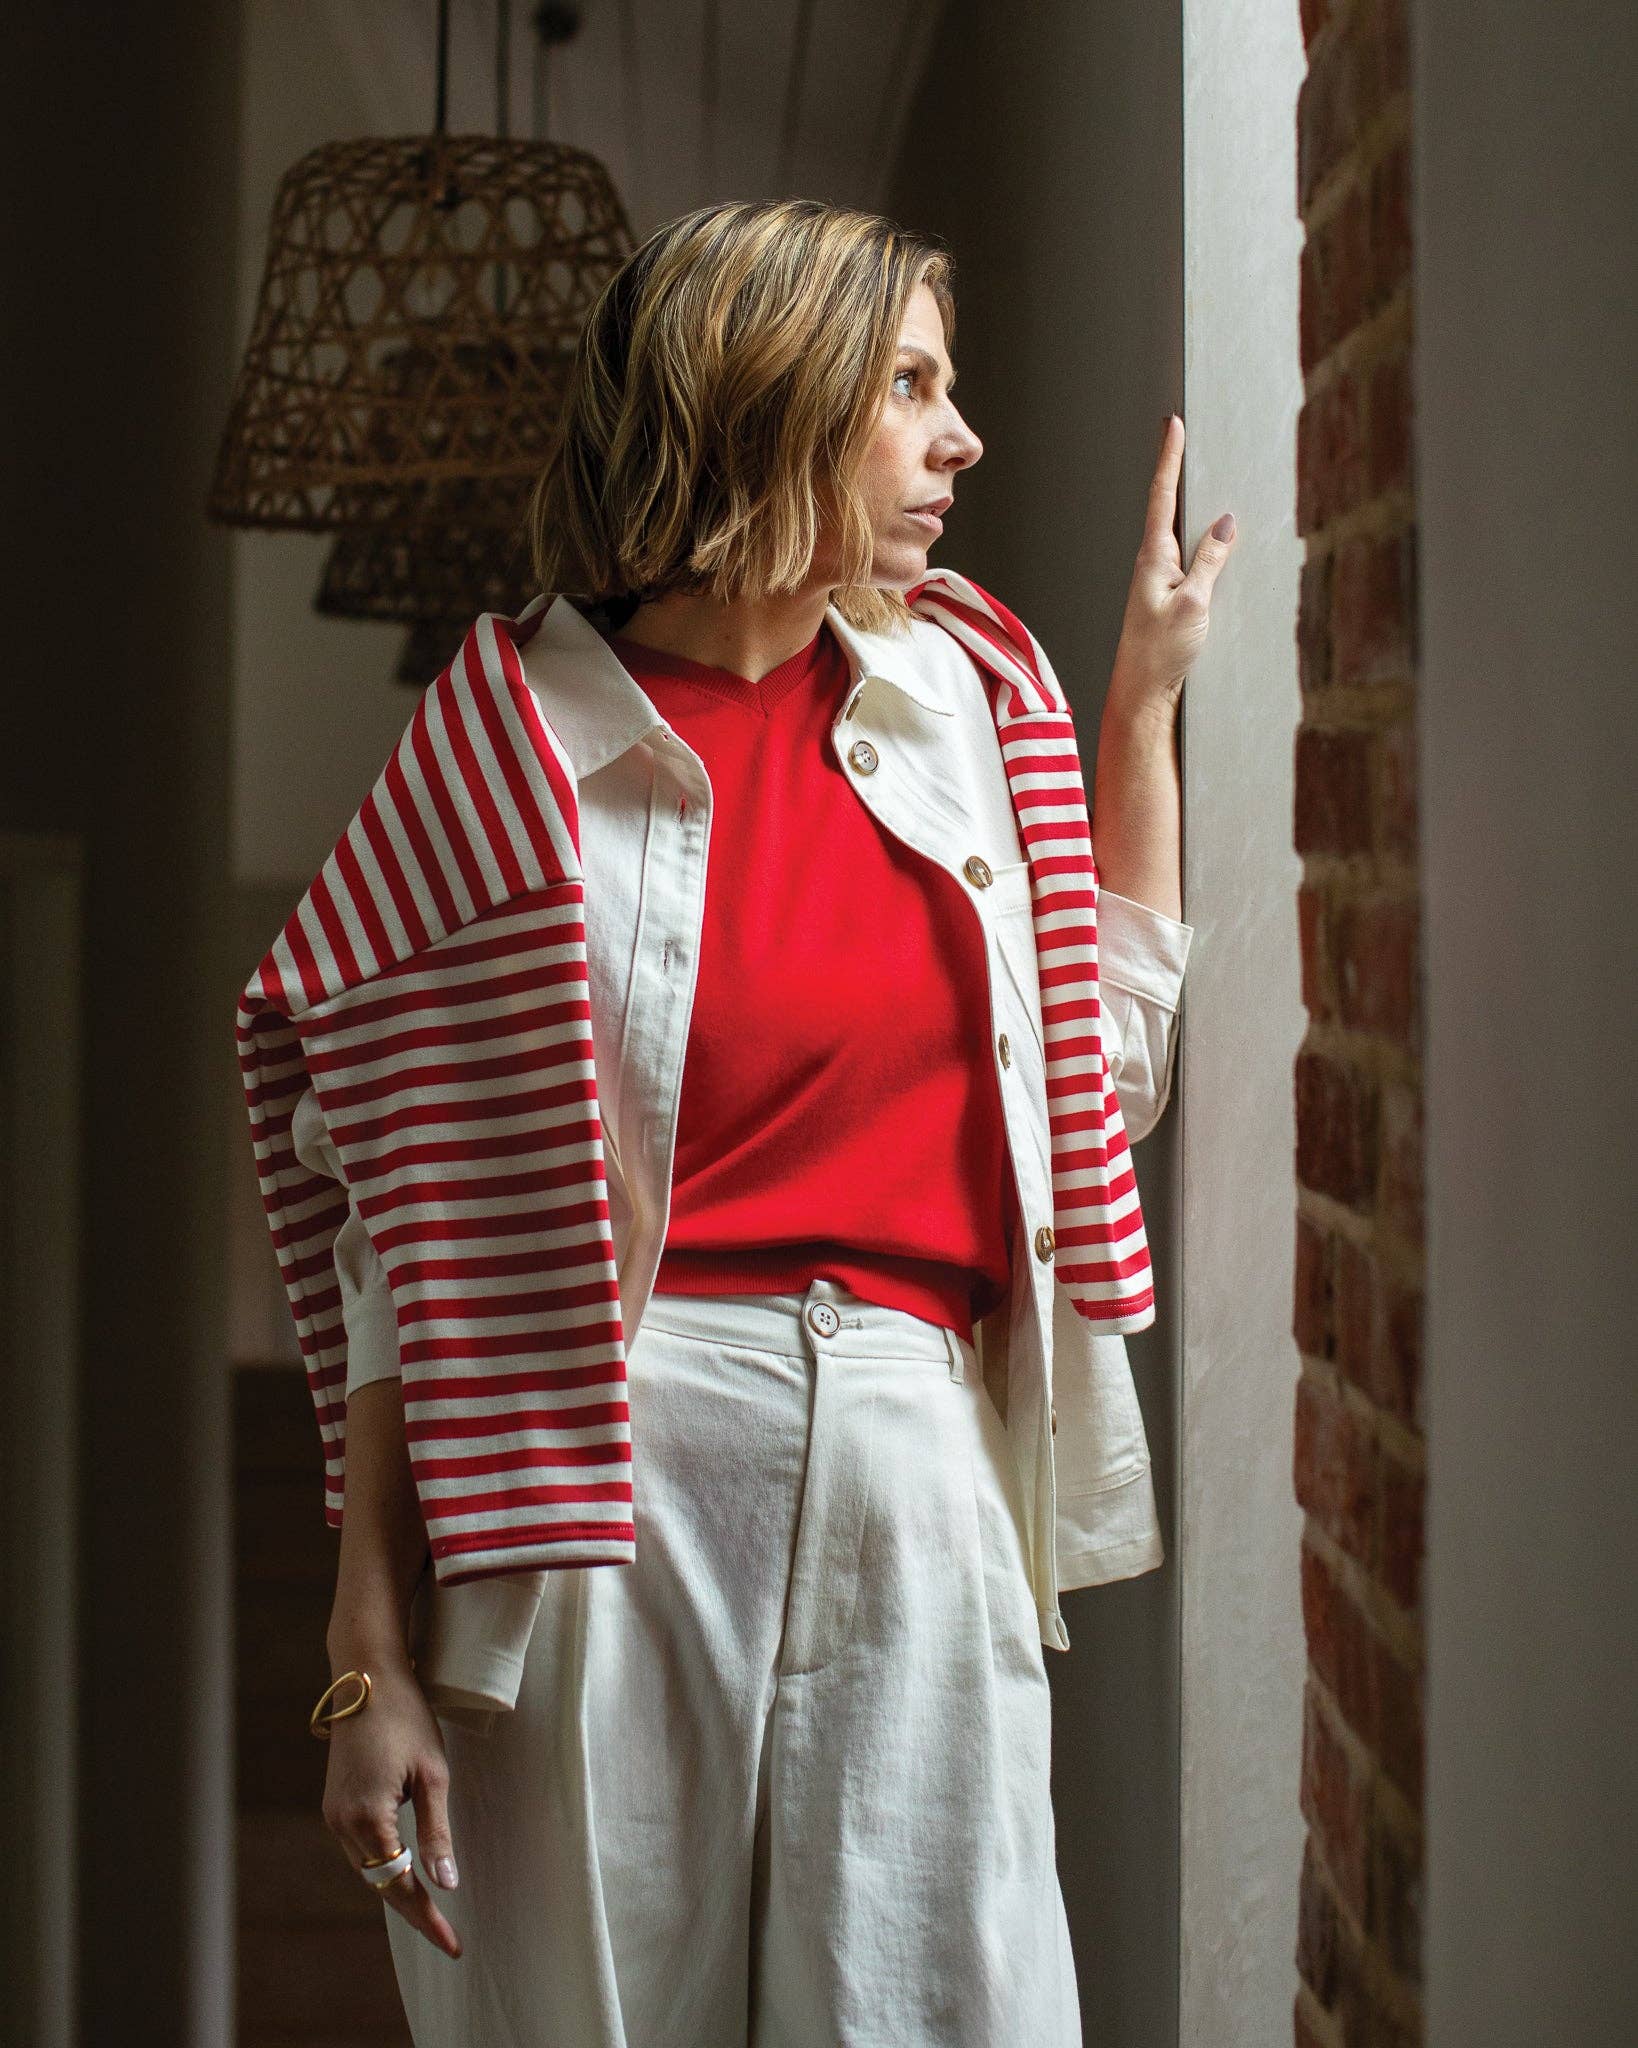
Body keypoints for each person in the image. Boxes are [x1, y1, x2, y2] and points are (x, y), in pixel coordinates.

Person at [259, 196, 1234, 2046]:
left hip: (918, 1447)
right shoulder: (508, 744)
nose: (962, 441)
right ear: (768, 398)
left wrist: (1137, 716)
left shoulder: (973, 706)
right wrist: (367, 1656)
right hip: (606, 1472)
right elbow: (410, 1249)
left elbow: (1095, 1088)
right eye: (909, 388)